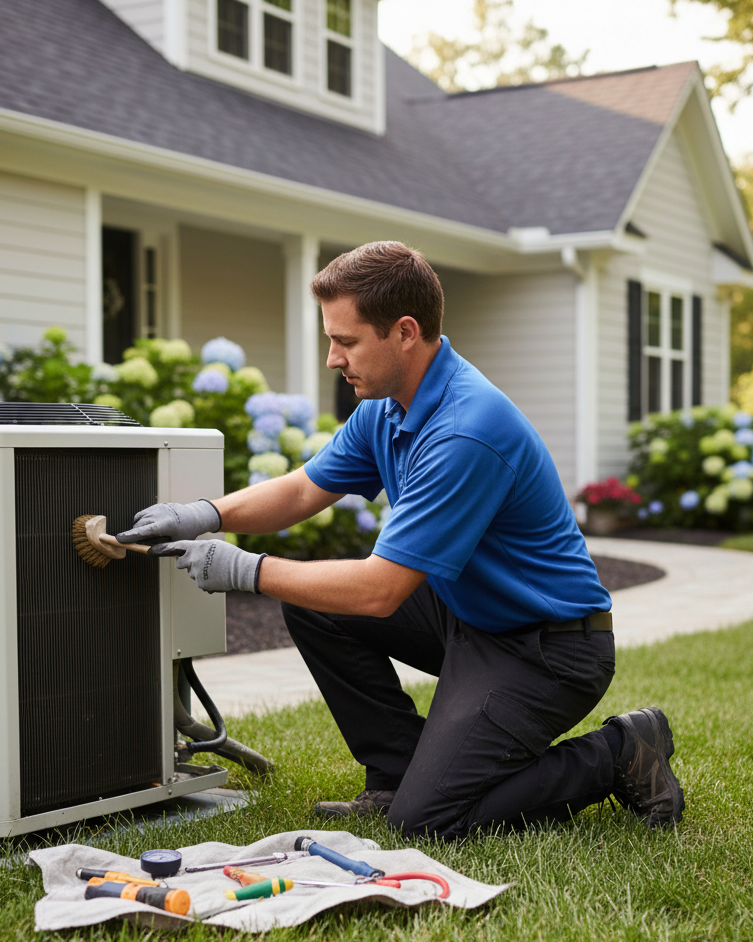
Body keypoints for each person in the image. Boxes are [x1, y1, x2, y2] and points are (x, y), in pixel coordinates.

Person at [118, 241, 684, 839]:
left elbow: (380, 591)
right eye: (330, 339)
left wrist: (244, 569)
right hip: (469, 617)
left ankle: (622, 751)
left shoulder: (466, 430)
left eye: (347, 341)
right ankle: (393, 776)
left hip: (547, 649)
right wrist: (203, 513)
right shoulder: (388, 406)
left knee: (432, 821)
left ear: (406, 332)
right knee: (314, 605)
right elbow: (304, 490)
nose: (332, 358)